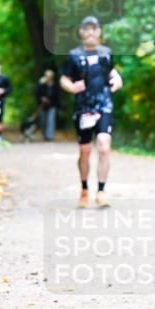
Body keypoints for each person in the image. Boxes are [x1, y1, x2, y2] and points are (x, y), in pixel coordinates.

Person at [60, 16, 123, 208]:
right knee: (85, 151)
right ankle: (84, 188)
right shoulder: (74, 55)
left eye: (94, 28)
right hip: (83, 108)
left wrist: (117, 80)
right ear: (80, 32)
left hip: (104, 105)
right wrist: (71, 87)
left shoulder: (106, 53)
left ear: (99, 31)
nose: (90, 32)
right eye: (86, 28)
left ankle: (101, 191)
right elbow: (64, 79)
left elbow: (112, 73)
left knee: (104, 146)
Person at [36, 69, 60, 141]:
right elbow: (37, 94)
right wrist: (41, 99)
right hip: (42, 106)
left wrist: (58, 106)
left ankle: (49, 136)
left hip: (52, 105)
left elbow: (58, 96)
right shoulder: (41, 84)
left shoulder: (55, 85)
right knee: (43, 121)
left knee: (50, 120)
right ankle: (44, 134)